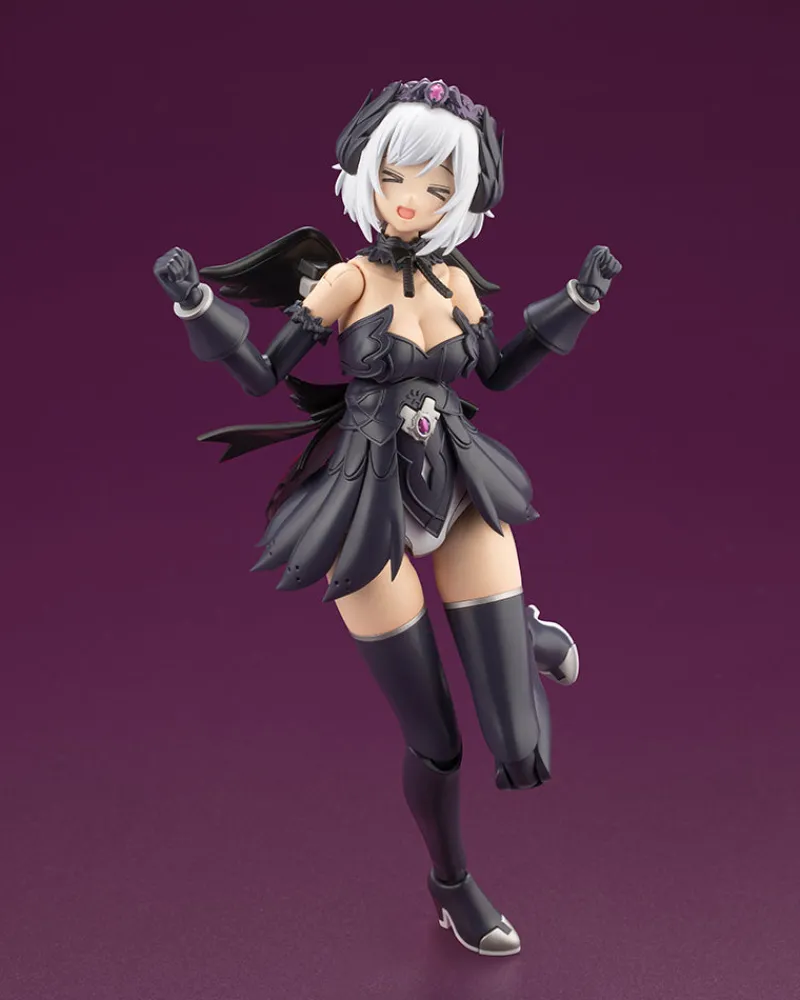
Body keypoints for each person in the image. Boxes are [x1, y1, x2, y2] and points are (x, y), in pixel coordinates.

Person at [153, 78, 621, 957]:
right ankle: (451, 885)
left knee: (522, 750)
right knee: (437, 741)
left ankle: (523, 633)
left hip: (459, 487)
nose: (412, 199)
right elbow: (262, 376)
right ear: (365, 172)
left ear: (463, 199)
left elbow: (498, 373)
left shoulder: (457, 282)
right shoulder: (348, 280)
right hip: (365, 506)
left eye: (439, 186)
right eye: (398, 176)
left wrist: (579, 301)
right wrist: (197, 306)